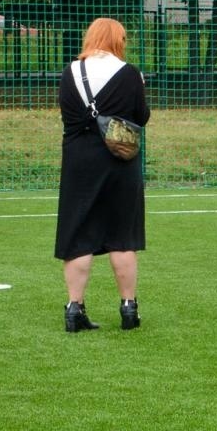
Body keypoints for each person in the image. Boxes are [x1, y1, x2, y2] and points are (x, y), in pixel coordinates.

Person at [56, 17, 151, 332]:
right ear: (117, 40)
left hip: (77, 161)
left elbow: (67, 115)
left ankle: (74, 308)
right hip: (119, 162)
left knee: (78, 236)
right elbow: (142, 117)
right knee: (123, 236)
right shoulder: (130, 74)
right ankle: (128, 308)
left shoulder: (69, 72)